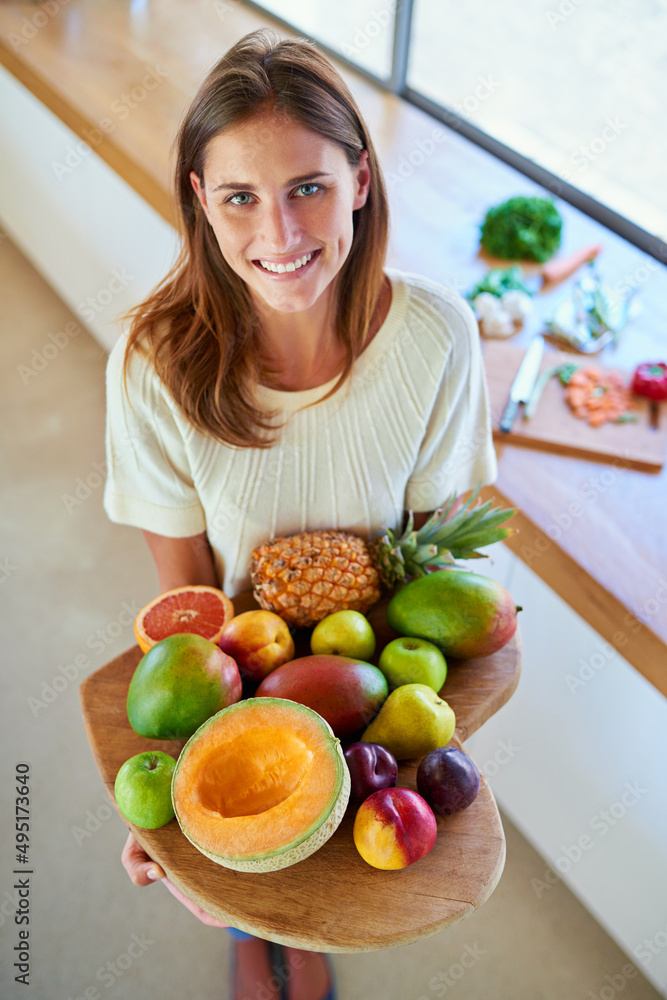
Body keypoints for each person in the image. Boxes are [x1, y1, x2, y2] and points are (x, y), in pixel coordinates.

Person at [103, 27, 497, 1000]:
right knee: (249, 878)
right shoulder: (154, 363)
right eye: (239, 195)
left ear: (360, 180)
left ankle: (299, 929)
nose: (278, 236)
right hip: (243, 675)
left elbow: (435, 574)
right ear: (201, 199)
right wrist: (172, 804)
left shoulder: (437, 337)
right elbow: (188, 608)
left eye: (307, 187)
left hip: (383, 678)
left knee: (339, 872)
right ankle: (252, 921)